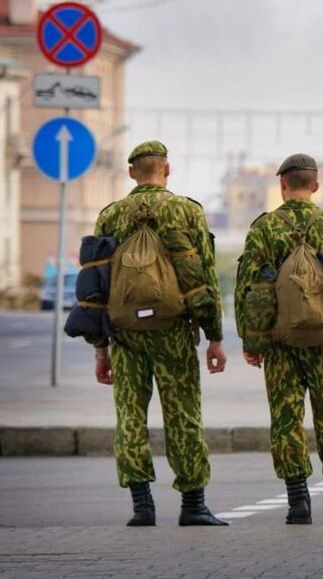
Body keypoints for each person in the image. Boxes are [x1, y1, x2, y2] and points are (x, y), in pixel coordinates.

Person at [90, 140, 228, 527]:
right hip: (175, 330)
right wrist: (214, 337)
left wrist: (100, 350)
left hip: (125, 334)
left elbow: (96, 286)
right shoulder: (185, 211)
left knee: (130, 415)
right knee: (183, 413)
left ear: (131, 173)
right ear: (167, 170)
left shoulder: (111, 216)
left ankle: (141, 507)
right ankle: (193, 505)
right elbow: (204, 276)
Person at [234, 153, 323, 525]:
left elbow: (249, 287)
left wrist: (251, 341)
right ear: (316, 187)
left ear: (281, 186)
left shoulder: (264, 228)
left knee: (286, 418)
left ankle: (297, 504)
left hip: (280, 342)